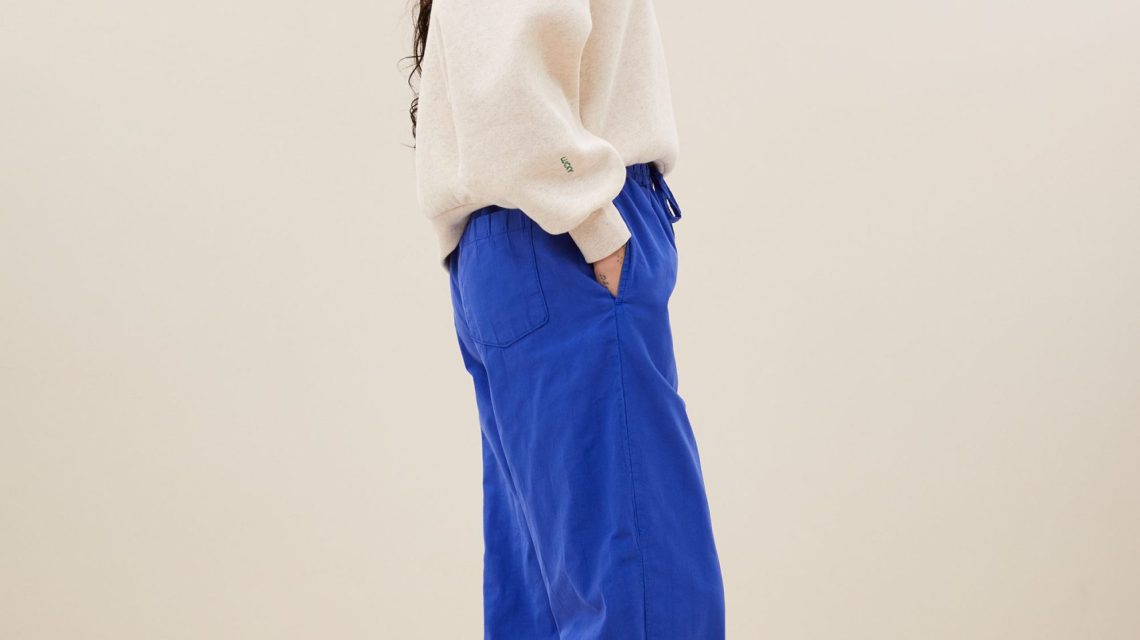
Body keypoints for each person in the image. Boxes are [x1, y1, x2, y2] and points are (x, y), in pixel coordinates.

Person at [406, 0, 725, 637]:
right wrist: (592, 218)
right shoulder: (575, 223)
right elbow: (505, 79)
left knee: (550, 603)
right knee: (642, 594)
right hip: (562, 241)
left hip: (523, 244)